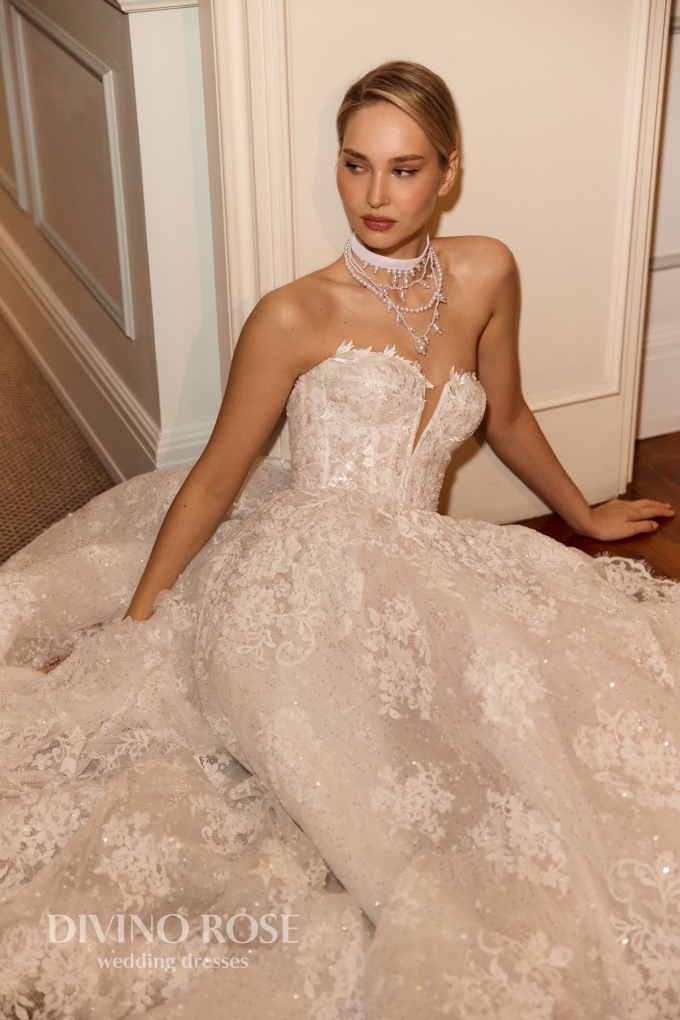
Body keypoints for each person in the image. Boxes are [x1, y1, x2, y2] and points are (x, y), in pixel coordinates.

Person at [1, 60, 679, 1019]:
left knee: (555, 701)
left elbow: (508, 414)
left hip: (417, 558)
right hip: (301, 570)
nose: (374, 195)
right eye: (355, 165)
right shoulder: (295, 314)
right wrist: (138, 623)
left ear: (448, 172)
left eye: (404, 169)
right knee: (376, 781)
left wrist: (585, 514)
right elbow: (216, 479)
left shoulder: (487, 272)